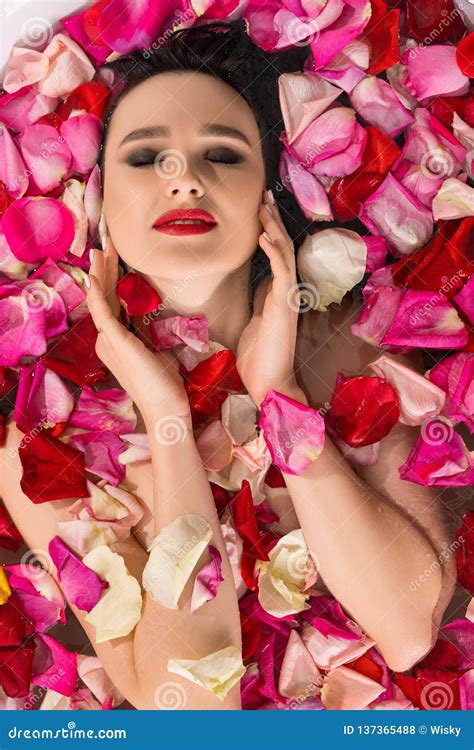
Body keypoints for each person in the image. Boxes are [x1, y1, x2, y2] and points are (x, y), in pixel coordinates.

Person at [0, 20, 457, 710]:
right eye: (146, 157)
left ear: (269, 198)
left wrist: (280, 391)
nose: (184, 178)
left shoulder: (354, 344)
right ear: (103, 211)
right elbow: (186, 707)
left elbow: (407, 631)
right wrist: (167, 422)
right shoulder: (36, 441)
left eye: (223, 154)